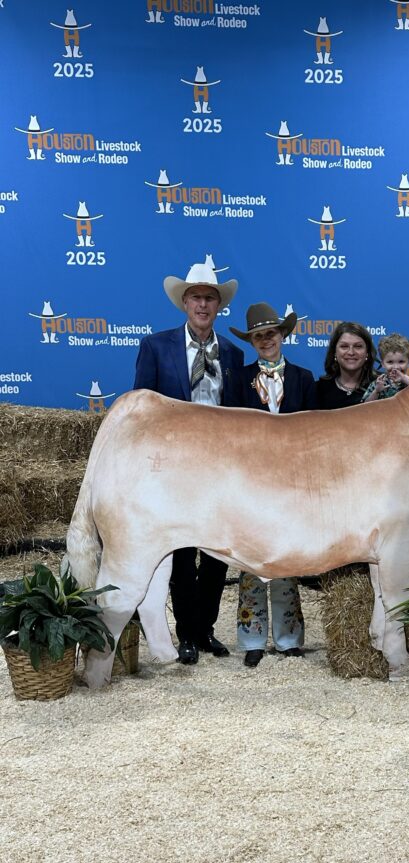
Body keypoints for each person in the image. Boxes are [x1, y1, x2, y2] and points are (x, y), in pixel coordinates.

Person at [134, 262, 243, 665]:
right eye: (196, 297)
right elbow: (141, 410)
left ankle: (206, 629)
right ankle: (185, 635)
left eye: (209, 297)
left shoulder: (232, 353)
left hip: (219, 469)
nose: (202, 304)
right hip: (175, 470)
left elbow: (236, 415)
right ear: (184, 302)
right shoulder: (156, 346)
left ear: (219, 305)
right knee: (181, 552)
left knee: (217, 554)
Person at [229, 303, 316, 667]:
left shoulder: (304, 378)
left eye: (271, 333)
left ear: (283, 335)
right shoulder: (237, 378)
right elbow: (230, 429)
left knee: (286, 555)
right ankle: (251, 638)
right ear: (252, 342)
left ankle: (288, 637)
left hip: (292, 480)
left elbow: (313, 430)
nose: (266, 340)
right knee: (251, 557)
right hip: (250, 479)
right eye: (259, 336)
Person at [315, 322, 376, 409]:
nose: (351, 352)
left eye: (358, 346)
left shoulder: (383, 386)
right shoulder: (318, 390)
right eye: (344, 346)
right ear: (335, 352)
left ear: (367, 353)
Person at [361, 332, 409, 402]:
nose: (396, 367)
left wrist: (404, 378)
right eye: (390, 362)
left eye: (401, 362)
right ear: (383, 364)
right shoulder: (378, 384)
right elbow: (364, 406)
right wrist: (376, 391)